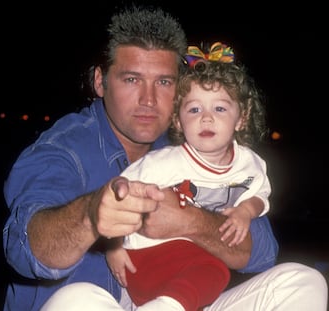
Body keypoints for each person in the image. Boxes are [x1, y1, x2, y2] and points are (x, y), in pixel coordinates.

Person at [2, 5, 328, 311]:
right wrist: (91, 215)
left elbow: (261, 253)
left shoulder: (189, 142)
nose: (149, 99)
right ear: (100, 81)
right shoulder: (64, 149)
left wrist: (192, 221)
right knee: (77, 299)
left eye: (164, 82)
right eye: (132, 79)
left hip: (174, 302)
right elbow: (25, 250)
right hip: (99, 303)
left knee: (303, 282)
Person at [105, 42, 272, 311]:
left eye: (219, 109)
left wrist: (246, 212)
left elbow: (261, 194)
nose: (206, 119)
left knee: (214, 272)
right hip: (142, 256)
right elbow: (117, 196)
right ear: (178, 121)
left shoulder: (250, 164)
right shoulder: (164, 162)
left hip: (188, 264)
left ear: (242, 117)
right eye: (194, 110)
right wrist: (112, 246)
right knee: (215, 269)